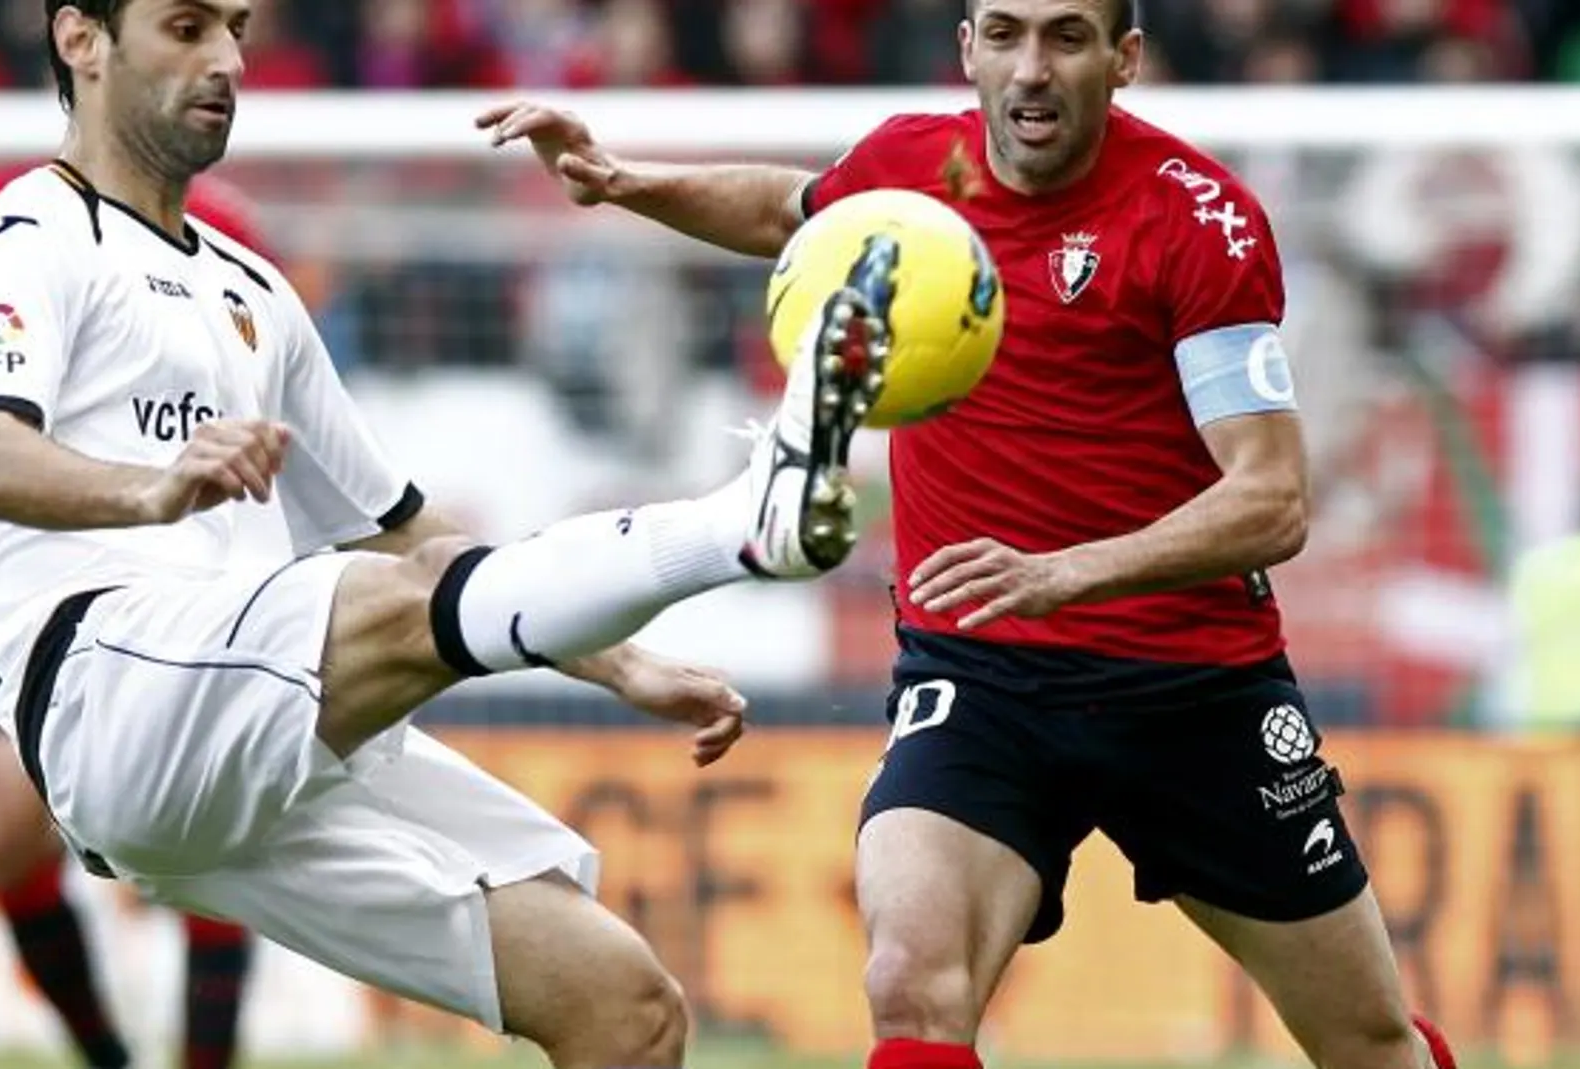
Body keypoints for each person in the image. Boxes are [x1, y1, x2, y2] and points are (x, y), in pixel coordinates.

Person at [479, 2, 1462, 1068]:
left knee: (1369, 1041)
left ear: (1122, 59)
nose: (1030, 70)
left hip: (1189, 689)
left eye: (1065, 37)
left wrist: (1064, 573)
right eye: (1004, 34)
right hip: (979, 678)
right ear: (966, 50)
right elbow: (789, 211)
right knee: (909, 980)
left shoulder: (1197, 219)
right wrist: (625, 180)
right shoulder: (912, 167)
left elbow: (1270, 499)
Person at [0, 2, 887, 1067]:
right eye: (188, 26)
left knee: (623, 1004)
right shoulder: (20, 235)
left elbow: (398, 527)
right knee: (383, 598)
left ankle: (734, 528)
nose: (228, 61)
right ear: (81, 41)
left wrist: (622, 667)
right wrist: (152, 490)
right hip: (105, 698)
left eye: (237, 29)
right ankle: (736, 525)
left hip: (255, 732)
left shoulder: (253, 290)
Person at [0, 163, 275, 1069]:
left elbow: (271, 384)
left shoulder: (221, 225)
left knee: (201, 833)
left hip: (186, 569)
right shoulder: (2, 208)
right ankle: (108, 1056)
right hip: (38, 574)